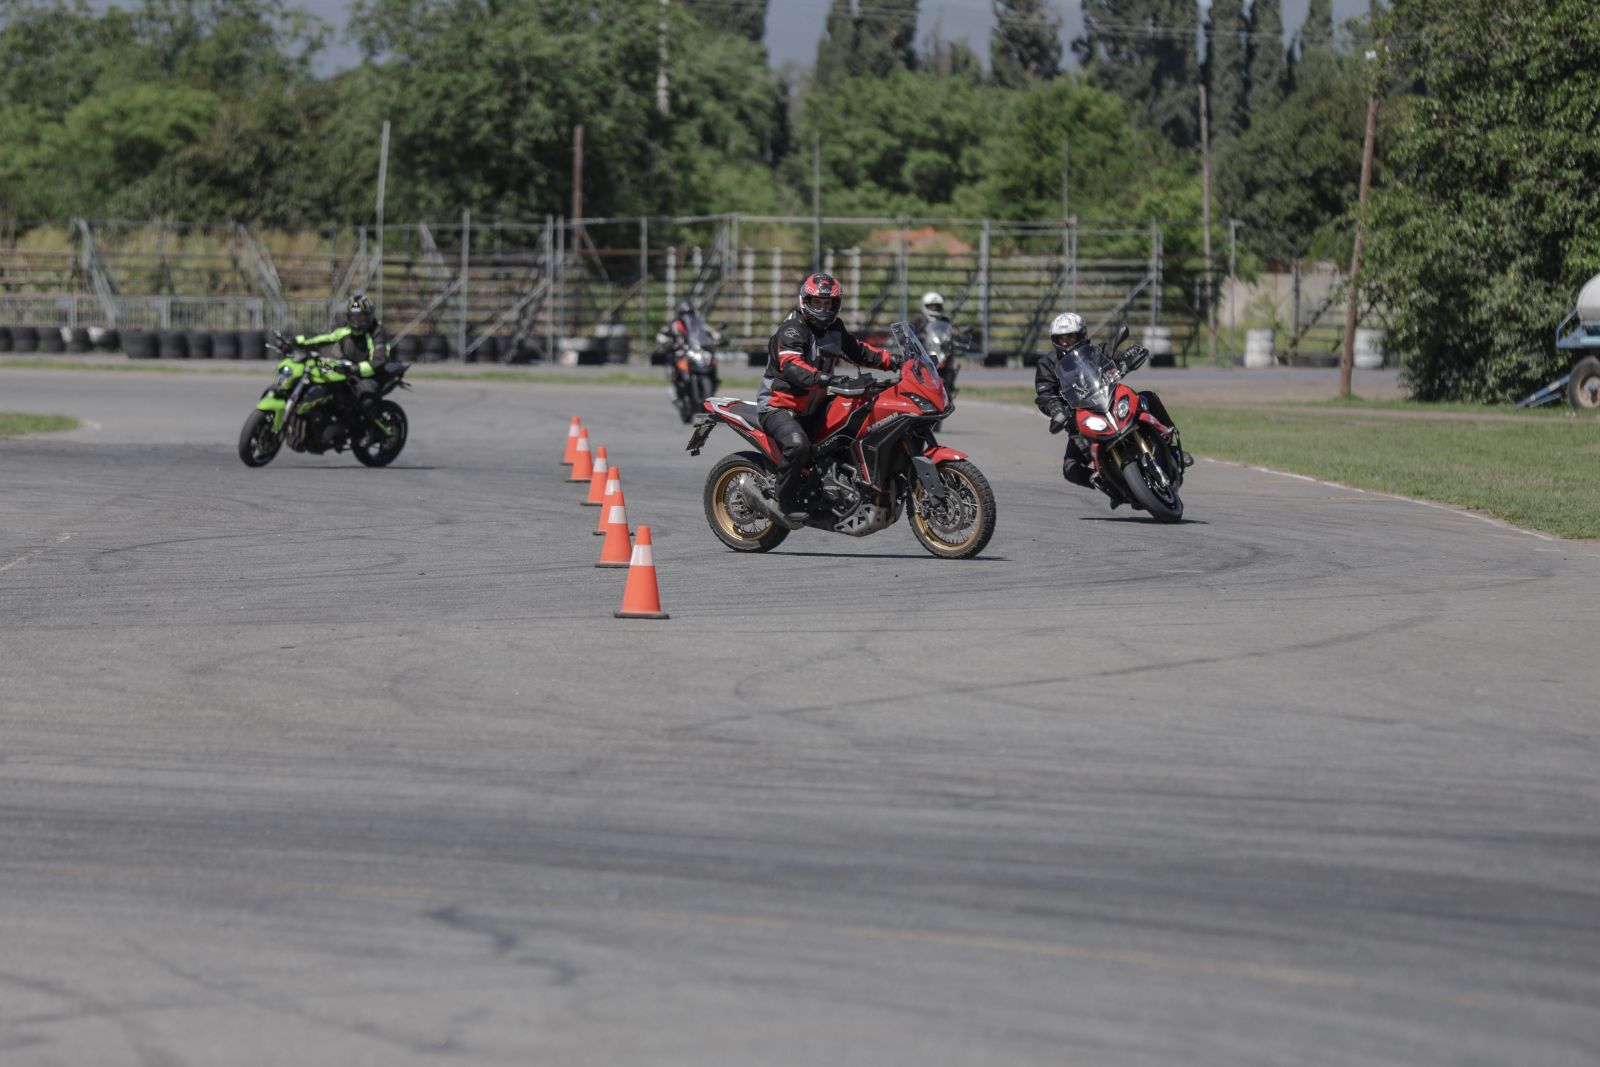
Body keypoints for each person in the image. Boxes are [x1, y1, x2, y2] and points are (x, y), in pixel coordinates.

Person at [757, 272, 899, 527]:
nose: (823, 309)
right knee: (797, 445)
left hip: (814, 405)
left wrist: (895, 361)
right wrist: (826, 379)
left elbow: (859, 351)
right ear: (805, 301)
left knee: (856, 422)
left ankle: (836, 489)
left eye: (828, 303)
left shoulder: (834, 328)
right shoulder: (792, 329)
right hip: (779, 407)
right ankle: (784, 500)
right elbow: (792, 366)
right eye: (817, 303)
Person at [1034, 312, 1189, 498]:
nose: (1066, 341)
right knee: (1070, 468)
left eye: (1070, 336)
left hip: (1111, 404)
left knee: (1148, 397)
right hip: (1081, 422)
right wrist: (1055, 407)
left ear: (1081, 335)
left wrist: (1130, 355)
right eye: (1061, 338)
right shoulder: (1047, 364)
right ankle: (1109, 486)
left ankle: (1172, 447)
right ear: (1055, 340)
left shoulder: (1097, 351)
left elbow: (1117, 357)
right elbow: (1045, 392)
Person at [294, 293, 389, 421]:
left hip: (371, 375)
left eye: (360, 316)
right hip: (346, 369)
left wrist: (355, 368)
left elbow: (379, 360)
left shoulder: (377, 332)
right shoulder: (343, 327)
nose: (357, 321)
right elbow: (323, 337)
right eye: (353, 316)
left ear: (369, 316)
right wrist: (297, 341)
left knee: (364, 402)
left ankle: (365, 429)